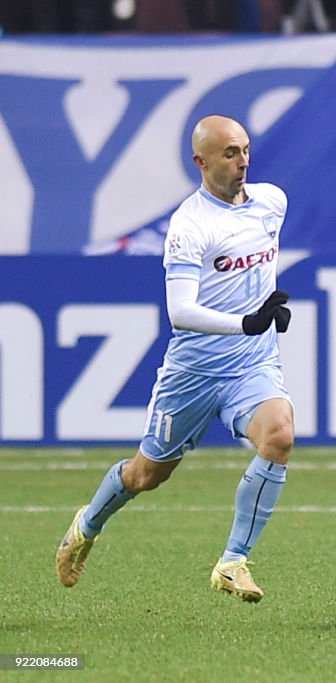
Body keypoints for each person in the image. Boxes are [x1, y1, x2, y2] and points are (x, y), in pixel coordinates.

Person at [55, 115, 295, 604]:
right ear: (200, 162)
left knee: (280, 434)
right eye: (230, 153)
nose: (243, 160)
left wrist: (262, 316)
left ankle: (233, 562)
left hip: (251, 364)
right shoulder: (189, 225)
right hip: (194, 372)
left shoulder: (272, 202)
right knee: (147, 474)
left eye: (246, 149)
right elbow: (180, 311)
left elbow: (254, 272)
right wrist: (246, 321)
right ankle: (87, 524)